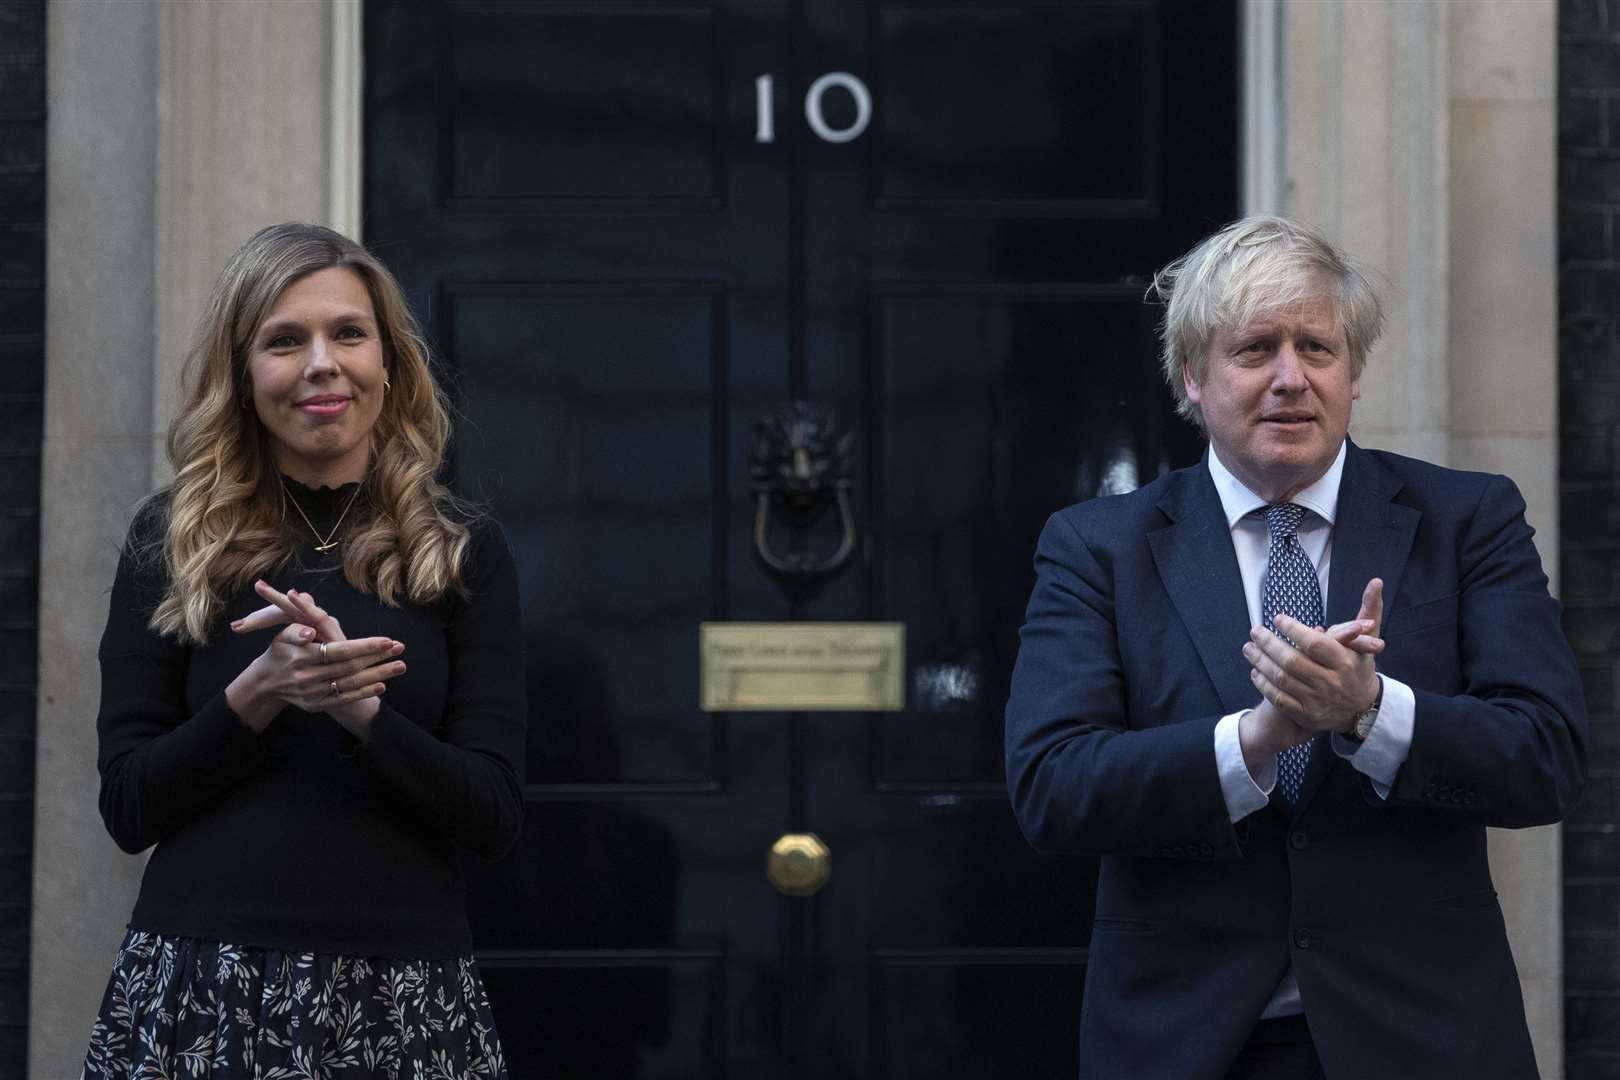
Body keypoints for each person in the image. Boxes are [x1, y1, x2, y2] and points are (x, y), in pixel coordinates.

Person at [1004, 215, 1586, 1079]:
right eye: (1254, 350)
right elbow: (1053, 788)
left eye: (1317, 347)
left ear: (1353, 377)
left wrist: (1369, 713)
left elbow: (1549, 759)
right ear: (1193, 378)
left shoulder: (1466, 521)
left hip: (1426, 1037)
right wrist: (1258, 738)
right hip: (1187, 1041)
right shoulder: (1098, 546)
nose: (1290, 378)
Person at [80, 223, 525, 1078]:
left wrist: (359, 711)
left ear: (388, 363)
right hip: (205, 982)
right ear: (245, 378)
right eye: (285, 341)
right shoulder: (174, 539)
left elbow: (494, 815)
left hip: (405, 990)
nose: (321, 363)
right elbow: (129, 807)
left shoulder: (460, 551)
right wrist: (260, 692)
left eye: (348, 334)